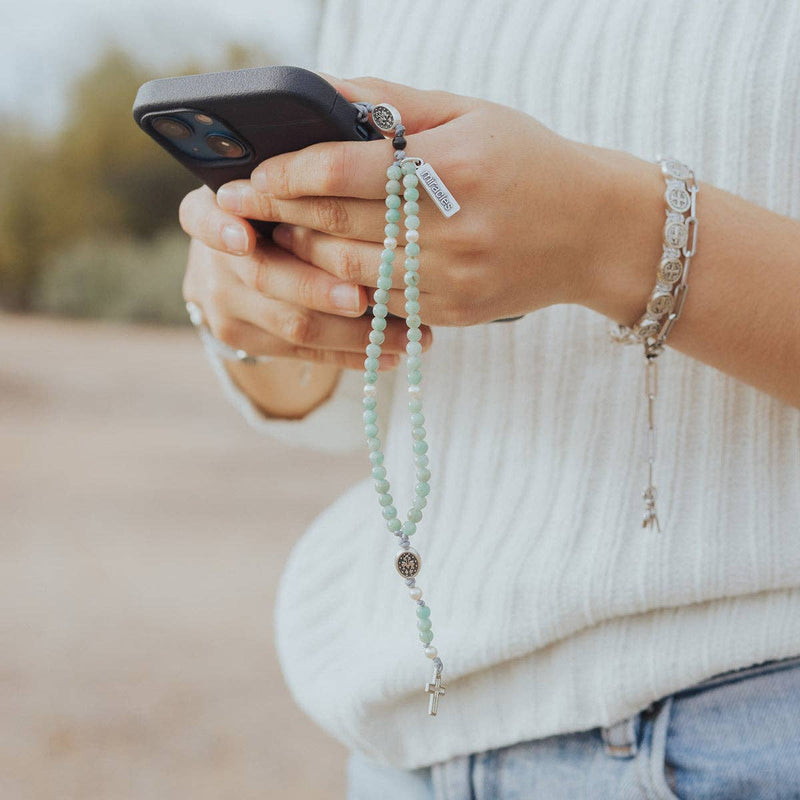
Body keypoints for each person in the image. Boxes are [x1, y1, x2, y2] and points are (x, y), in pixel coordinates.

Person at [179, 0, 800, 796]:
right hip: (415, 749)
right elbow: (341, 398)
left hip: (762, 735)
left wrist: (612, 236)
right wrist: (253, 302)